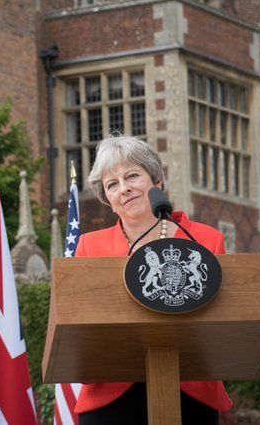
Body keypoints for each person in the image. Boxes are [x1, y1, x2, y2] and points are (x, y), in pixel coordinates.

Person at [73, 134, 231, 425]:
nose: (124, 189)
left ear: (156, 180)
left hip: (190, 391)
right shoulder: (89, 247)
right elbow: (78, 323)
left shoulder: (206, 240)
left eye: (132, 175)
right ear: (107, 199)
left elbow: (223, 316)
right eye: (112, 184)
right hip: (111, 394)